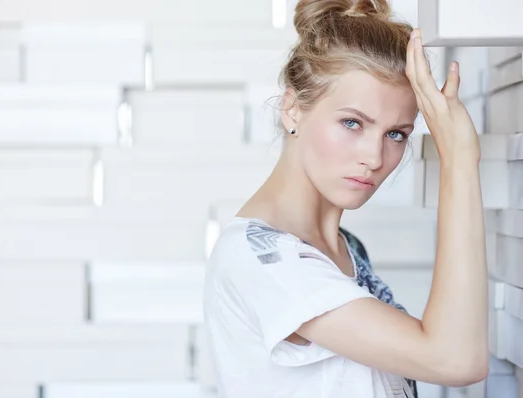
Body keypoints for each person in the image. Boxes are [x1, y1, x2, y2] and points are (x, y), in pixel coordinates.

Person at [202, 0, 489, 397]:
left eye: (396, 134)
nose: (374, 158)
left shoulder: (345, 248)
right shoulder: (262, 259)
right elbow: (455, 359)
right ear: (292, 109)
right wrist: (458, 158)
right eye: (352, 122)